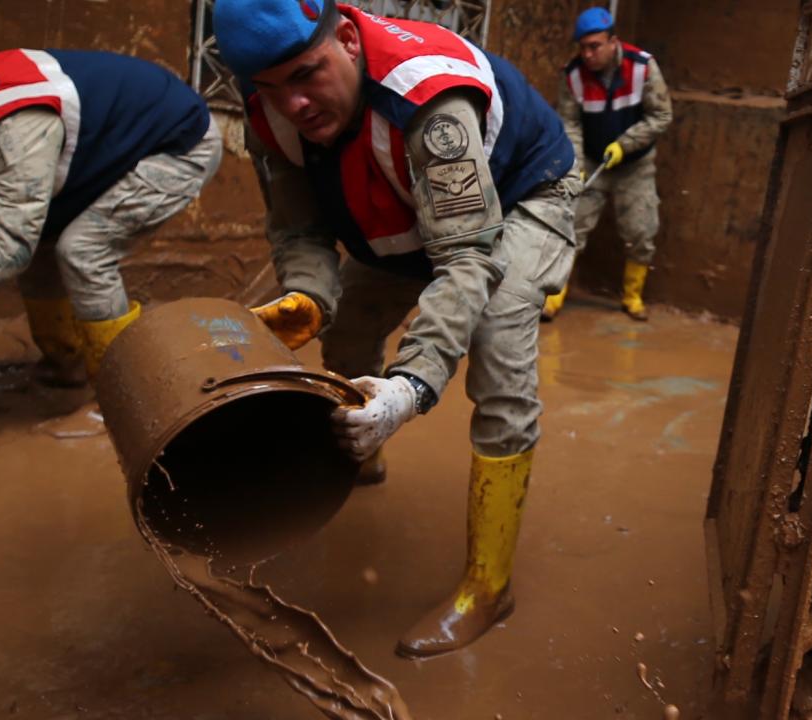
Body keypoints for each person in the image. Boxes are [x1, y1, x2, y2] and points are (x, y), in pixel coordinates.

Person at [213, 0, 579, 657]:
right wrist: (304, 300)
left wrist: (408, 388)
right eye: (270, 89)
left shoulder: (429, 99)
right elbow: (299, 231)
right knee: (347, 331)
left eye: (306, 75)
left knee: (496, 347)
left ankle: (488, 586)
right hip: (412, 215)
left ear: (348, 39)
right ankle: (363, 455)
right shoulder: (268, 108)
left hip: (521, 197)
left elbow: (467, 258)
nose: (292, 105)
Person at [0, 49, 222, 395]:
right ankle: (67, 371)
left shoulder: (12, 124)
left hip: (176, 144)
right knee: (41, 247)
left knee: (84, 251)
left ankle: (124, 394)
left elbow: (8, 247)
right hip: (97, 153)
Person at [545, 7, 673, 322]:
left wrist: (625, 145)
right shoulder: (573, 75)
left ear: (613, 41)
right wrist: (575, 163)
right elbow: (569, 124)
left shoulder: (643, 67)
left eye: (595, 46)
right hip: (592, 162)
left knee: (641, 231)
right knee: (572, 228)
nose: (588, 54)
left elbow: (661, 116)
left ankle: (632, 296)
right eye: (583, 47)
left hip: (635, 165)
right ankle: (554, 296)